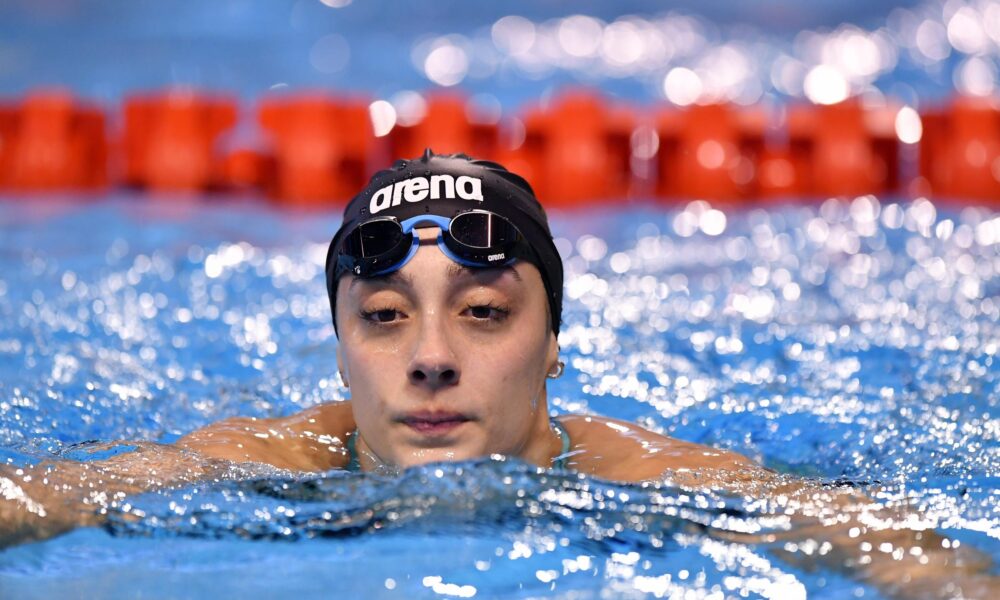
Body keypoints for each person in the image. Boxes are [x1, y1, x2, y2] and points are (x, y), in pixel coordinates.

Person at [0, 151, 995, 597]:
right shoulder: (261, 462)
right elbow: (43, 501)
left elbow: (900, 553)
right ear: (339, 350)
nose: (431, 358)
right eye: (383, 318)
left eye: (483, 312)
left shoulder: (644, 477)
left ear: (553, 341)